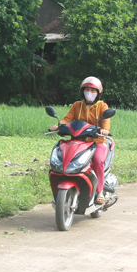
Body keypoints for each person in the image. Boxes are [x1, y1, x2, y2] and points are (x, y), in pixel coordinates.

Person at [49, 76, 111, 205]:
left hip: (97, 142)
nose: (90, 93)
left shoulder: (102, 106)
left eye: (93, 91)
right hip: (78, 141)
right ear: (82, 91)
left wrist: (104, 130)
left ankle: (99, 192)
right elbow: (67, 119)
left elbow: (106, 124)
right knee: (62, 156)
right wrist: (59, 126)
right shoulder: (77, 105)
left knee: (98, 160)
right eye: (87, 90)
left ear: (98, 93)